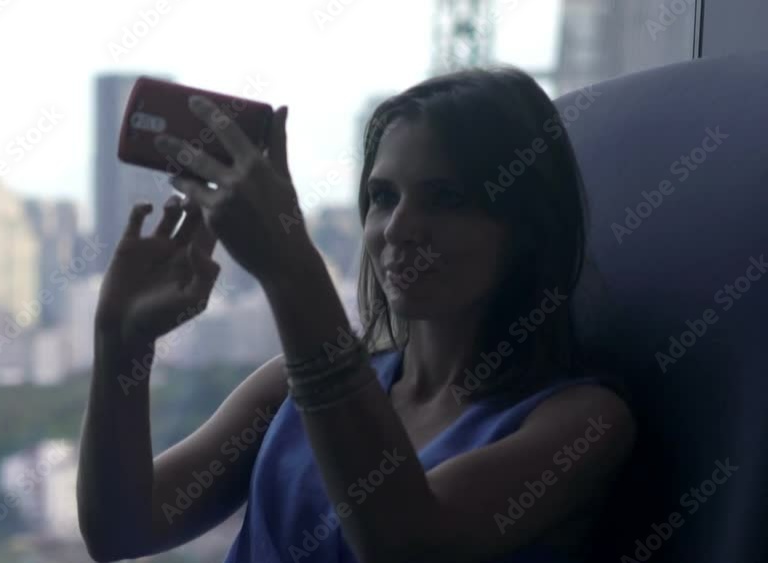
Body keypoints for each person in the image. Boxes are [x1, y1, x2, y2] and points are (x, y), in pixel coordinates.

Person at [76, 66, 636, 563]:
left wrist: (292, 269)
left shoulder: (583, 425)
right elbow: (121, 531)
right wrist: (121, 342)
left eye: (445, 199)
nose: (398, 229)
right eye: (384, 197)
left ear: (528, 229)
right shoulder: (285, 389)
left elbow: (406, 544)